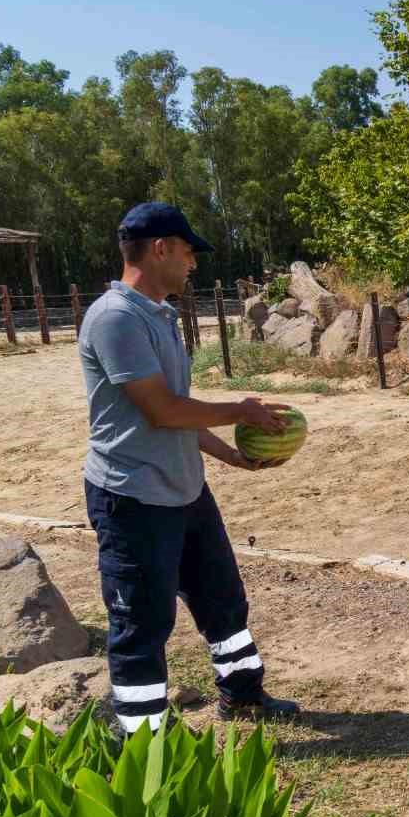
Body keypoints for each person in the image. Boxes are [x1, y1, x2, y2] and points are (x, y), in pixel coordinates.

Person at [79, 202, 300, 734]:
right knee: (142, 622)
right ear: (160, 249)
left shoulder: (159, 315)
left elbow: (177, 412)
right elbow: (161, 410)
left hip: (184, 490)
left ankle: (243, 694)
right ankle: (144, 738)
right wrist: (242, 412)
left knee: (224, 600)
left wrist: (234, 457)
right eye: (187, 251)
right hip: (133, 497)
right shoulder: (116, 319)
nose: (193, 263)